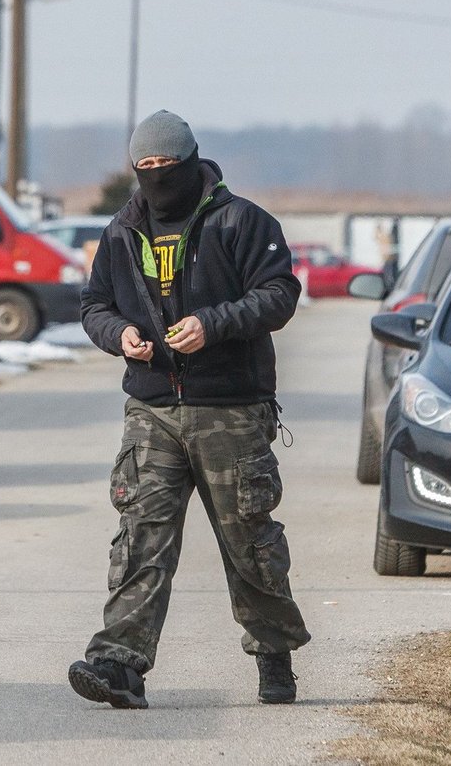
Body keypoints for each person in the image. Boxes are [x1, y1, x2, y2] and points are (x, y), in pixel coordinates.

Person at [68, 110, 310, 709]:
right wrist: (119, 333)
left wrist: (213, 324)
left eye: (164, 167)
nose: (155, 177)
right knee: (140, 536)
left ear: (191, 161)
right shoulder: (122, 231)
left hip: (231, 406)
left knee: (248, 540)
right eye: (143, 168)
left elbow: (279, 294)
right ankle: (119, 663)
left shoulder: (242, 221)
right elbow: (93, 303)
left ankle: (273, 656)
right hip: (151, 408)